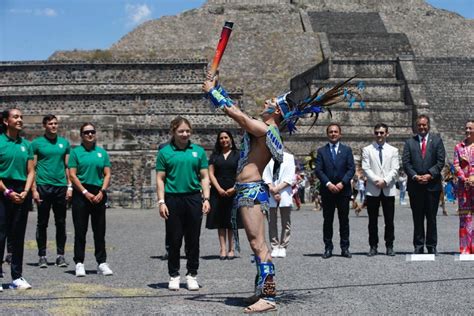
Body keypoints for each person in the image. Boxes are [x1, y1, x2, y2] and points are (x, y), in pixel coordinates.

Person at [204, 70, 362, 313]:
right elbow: (242, 115)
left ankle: (268, 297)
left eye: (270, 102)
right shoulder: (268, 130)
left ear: (277, 111)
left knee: (259, 245)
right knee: (259, 243)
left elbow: (238, 116)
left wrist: (213, 93)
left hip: (250, 190)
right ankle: (261, 290)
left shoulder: (265, 130)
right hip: (250, 190)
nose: (265, 102)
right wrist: (217, 87)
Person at [156, 116, 210, 291]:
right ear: (173, 132)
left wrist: (206, 198)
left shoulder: (198, 151)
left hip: (193, 198)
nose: (185, 134)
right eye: (181, 131)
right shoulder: (164, 152)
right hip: (173, 199)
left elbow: (204, 176)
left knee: (193, 239)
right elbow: (160, 179)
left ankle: (192, 274)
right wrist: (161, 201)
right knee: (174, 239)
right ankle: (174, 275)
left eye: (187, 131)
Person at [69, 123, 113, 277]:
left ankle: (101, 262)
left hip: (98, 191)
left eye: (92, 132)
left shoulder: (102, 153)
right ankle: (79, 262)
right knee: (80, 230)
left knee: (99, 230)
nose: (89, 134)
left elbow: (107, 173)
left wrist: (102, 190)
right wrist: (85, 192)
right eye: (86, 132)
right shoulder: (76, 153)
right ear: (81, 135)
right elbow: (72, 175)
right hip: (81, 192)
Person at [0, 108, 35, 290]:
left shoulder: (27, 145)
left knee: (18, 236)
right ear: (6, 121)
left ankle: (17, 276)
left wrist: (26, 191)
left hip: (22, 189)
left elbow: (31, 171)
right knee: (1, 233)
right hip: (3, 189)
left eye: (21, 116)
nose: (20, 119)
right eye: (16, 117)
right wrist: (7, 192)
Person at [31, 114, 71, 268]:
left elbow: (68, 166)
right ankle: (42, 255)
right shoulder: (36, 144)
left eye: (55, 123)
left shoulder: (64, 143)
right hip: (43, 186)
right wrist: (34, 189)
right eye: (50, 124)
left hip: (60, 186)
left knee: (61, 222)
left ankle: (60, 255)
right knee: (42, 223)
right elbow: (32, 168)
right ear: (44, 125)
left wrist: (69, 187)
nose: (54, 126)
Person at [402, 114, 446, 255]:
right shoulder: (410, 142)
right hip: (415, 186)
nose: (422, 127)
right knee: (418, 217)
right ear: (416, 126)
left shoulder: (437, 141)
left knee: (432, 218)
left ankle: (432, 245)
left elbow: (440, 161)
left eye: (424, 125)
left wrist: (429, 174)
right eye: (419, 125)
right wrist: (415, 176)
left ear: (428, 125)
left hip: (432, 186)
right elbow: (406, 162)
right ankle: (419, 245)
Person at [315, 123, 355, 259]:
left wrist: (342, 183)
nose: (333, 134)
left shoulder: (347, 150)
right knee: (328, 221)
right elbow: (319, 170)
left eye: (335, 132)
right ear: (327, 134)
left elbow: (351, 169)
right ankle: (328, 248)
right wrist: (328, 184)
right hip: (328, 191)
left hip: (343, 191)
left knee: (344, 221)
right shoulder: (321, 151)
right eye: (331, 132)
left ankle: (345, 248)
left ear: (340, 134)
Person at [362, 123, 400, 257]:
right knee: (372, 221)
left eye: (382, 133)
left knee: (389, 220)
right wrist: (376, 180)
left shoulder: (393, 150)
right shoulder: (367, 149)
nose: (379, 135)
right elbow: (366, 168)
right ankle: (373, 246)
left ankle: (389, 245)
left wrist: (385, 181)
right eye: (377, 132)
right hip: (373, 189)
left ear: (387, 134)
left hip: (388, 188)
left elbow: (395, 169)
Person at [206, 130, 241, 260]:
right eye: (221, 138)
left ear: (231, 139)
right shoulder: (215, 155)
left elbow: (241, 172)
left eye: (226, 137)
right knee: (220, 221)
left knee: (231, 221)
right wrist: (218, 188)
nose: (224, 140)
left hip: (233, 190)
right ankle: (223, 248)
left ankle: (232, 249)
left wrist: (235, 187)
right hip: (218, 191)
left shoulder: (238, 155)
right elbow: (211, 173)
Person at [263, 151, 295, 258]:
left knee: (285, 221)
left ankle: (283, 246)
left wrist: (277, 189)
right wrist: (272, 189)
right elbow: (265, 175)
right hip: (270, 191)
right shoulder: (266, 156)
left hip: (284, 191)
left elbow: (290, 176)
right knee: (271, 221)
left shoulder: (289, 157)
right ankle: (275, 246)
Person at [453, 120, 474, 254]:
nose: (468, 131)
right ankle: (465, 247)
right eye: (466, 128)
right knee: (465, 217)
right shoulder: (458, 147)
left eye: (470, 128)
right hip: (464, 186)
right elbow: (456, 165)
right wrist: (464, 178)